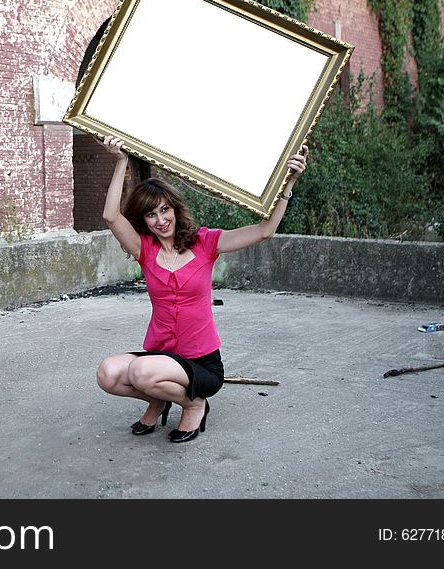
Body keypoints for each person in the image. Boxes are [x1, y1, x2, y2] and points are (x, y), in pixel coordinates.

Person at [95, 136, 308, 443]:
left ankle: (194, 404)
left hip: (200, 363)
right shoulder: (145, 250)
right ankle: (158, 399)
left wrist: (288, 184)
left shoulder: (205, 242)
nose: (161, 220)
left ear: (175, 209)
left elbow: (265, 230)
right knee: (108, 373)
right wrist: (120, 162)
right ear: (144, 220)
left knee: (140, 372)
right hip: (160, 355)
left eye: (164, 209)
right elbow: (111, 216)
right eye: (151, 214)